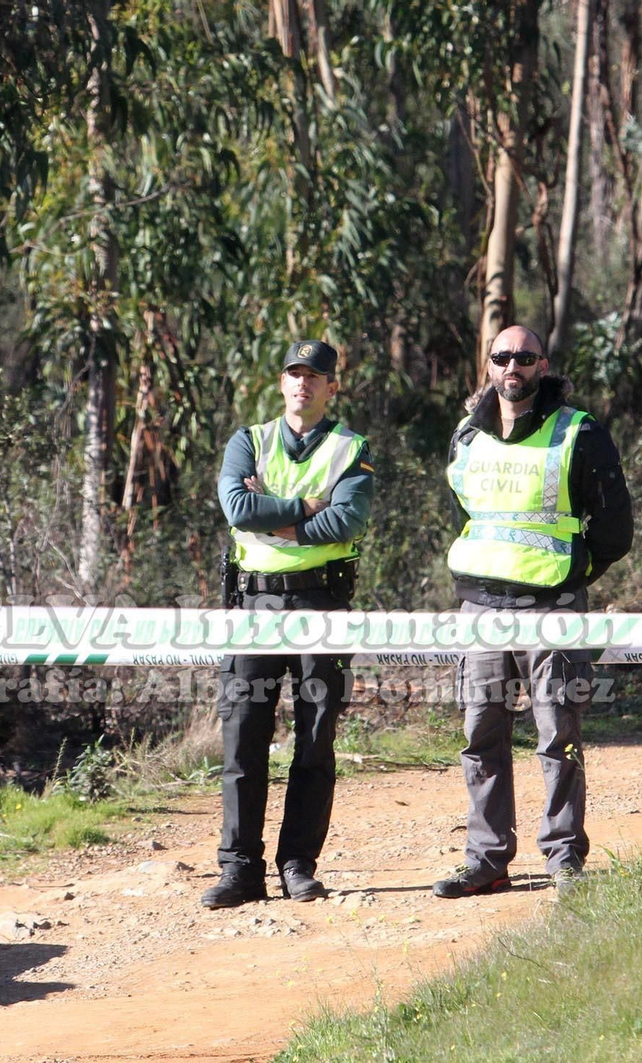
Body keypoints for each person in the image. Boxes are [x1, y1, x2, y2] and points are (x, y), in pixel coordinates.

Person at [434, 326, 633, 899]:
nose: (512, 366)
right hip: (481, 607)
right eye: (502, 357)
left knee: (558, 733)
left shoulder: (580, 432)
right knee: (480, 735)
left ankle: (564, 856)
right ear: (489, 365)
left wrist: (572, 576)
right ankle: (487, 857)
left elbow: (615, 529)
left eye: (523, 356)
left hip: (553, 606)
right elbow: (468, 509)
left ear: (542, 365)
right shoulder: (467, 435)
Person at [203, 339, 375, 909]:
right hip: (254, 607)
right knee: (243, 736)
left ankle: (298, 864)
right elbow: (238, 509)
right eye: (294, 374)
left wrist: (278, 517)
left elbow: (348, 518)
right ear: (282, 383)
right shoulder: (247, 441)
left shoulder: (351, 448)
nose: (303, 384)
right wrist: (305, 506)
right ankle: (239, 869)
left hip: (322, 606)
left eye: (315, 376)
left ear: (332, 387)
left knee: (315, 739)